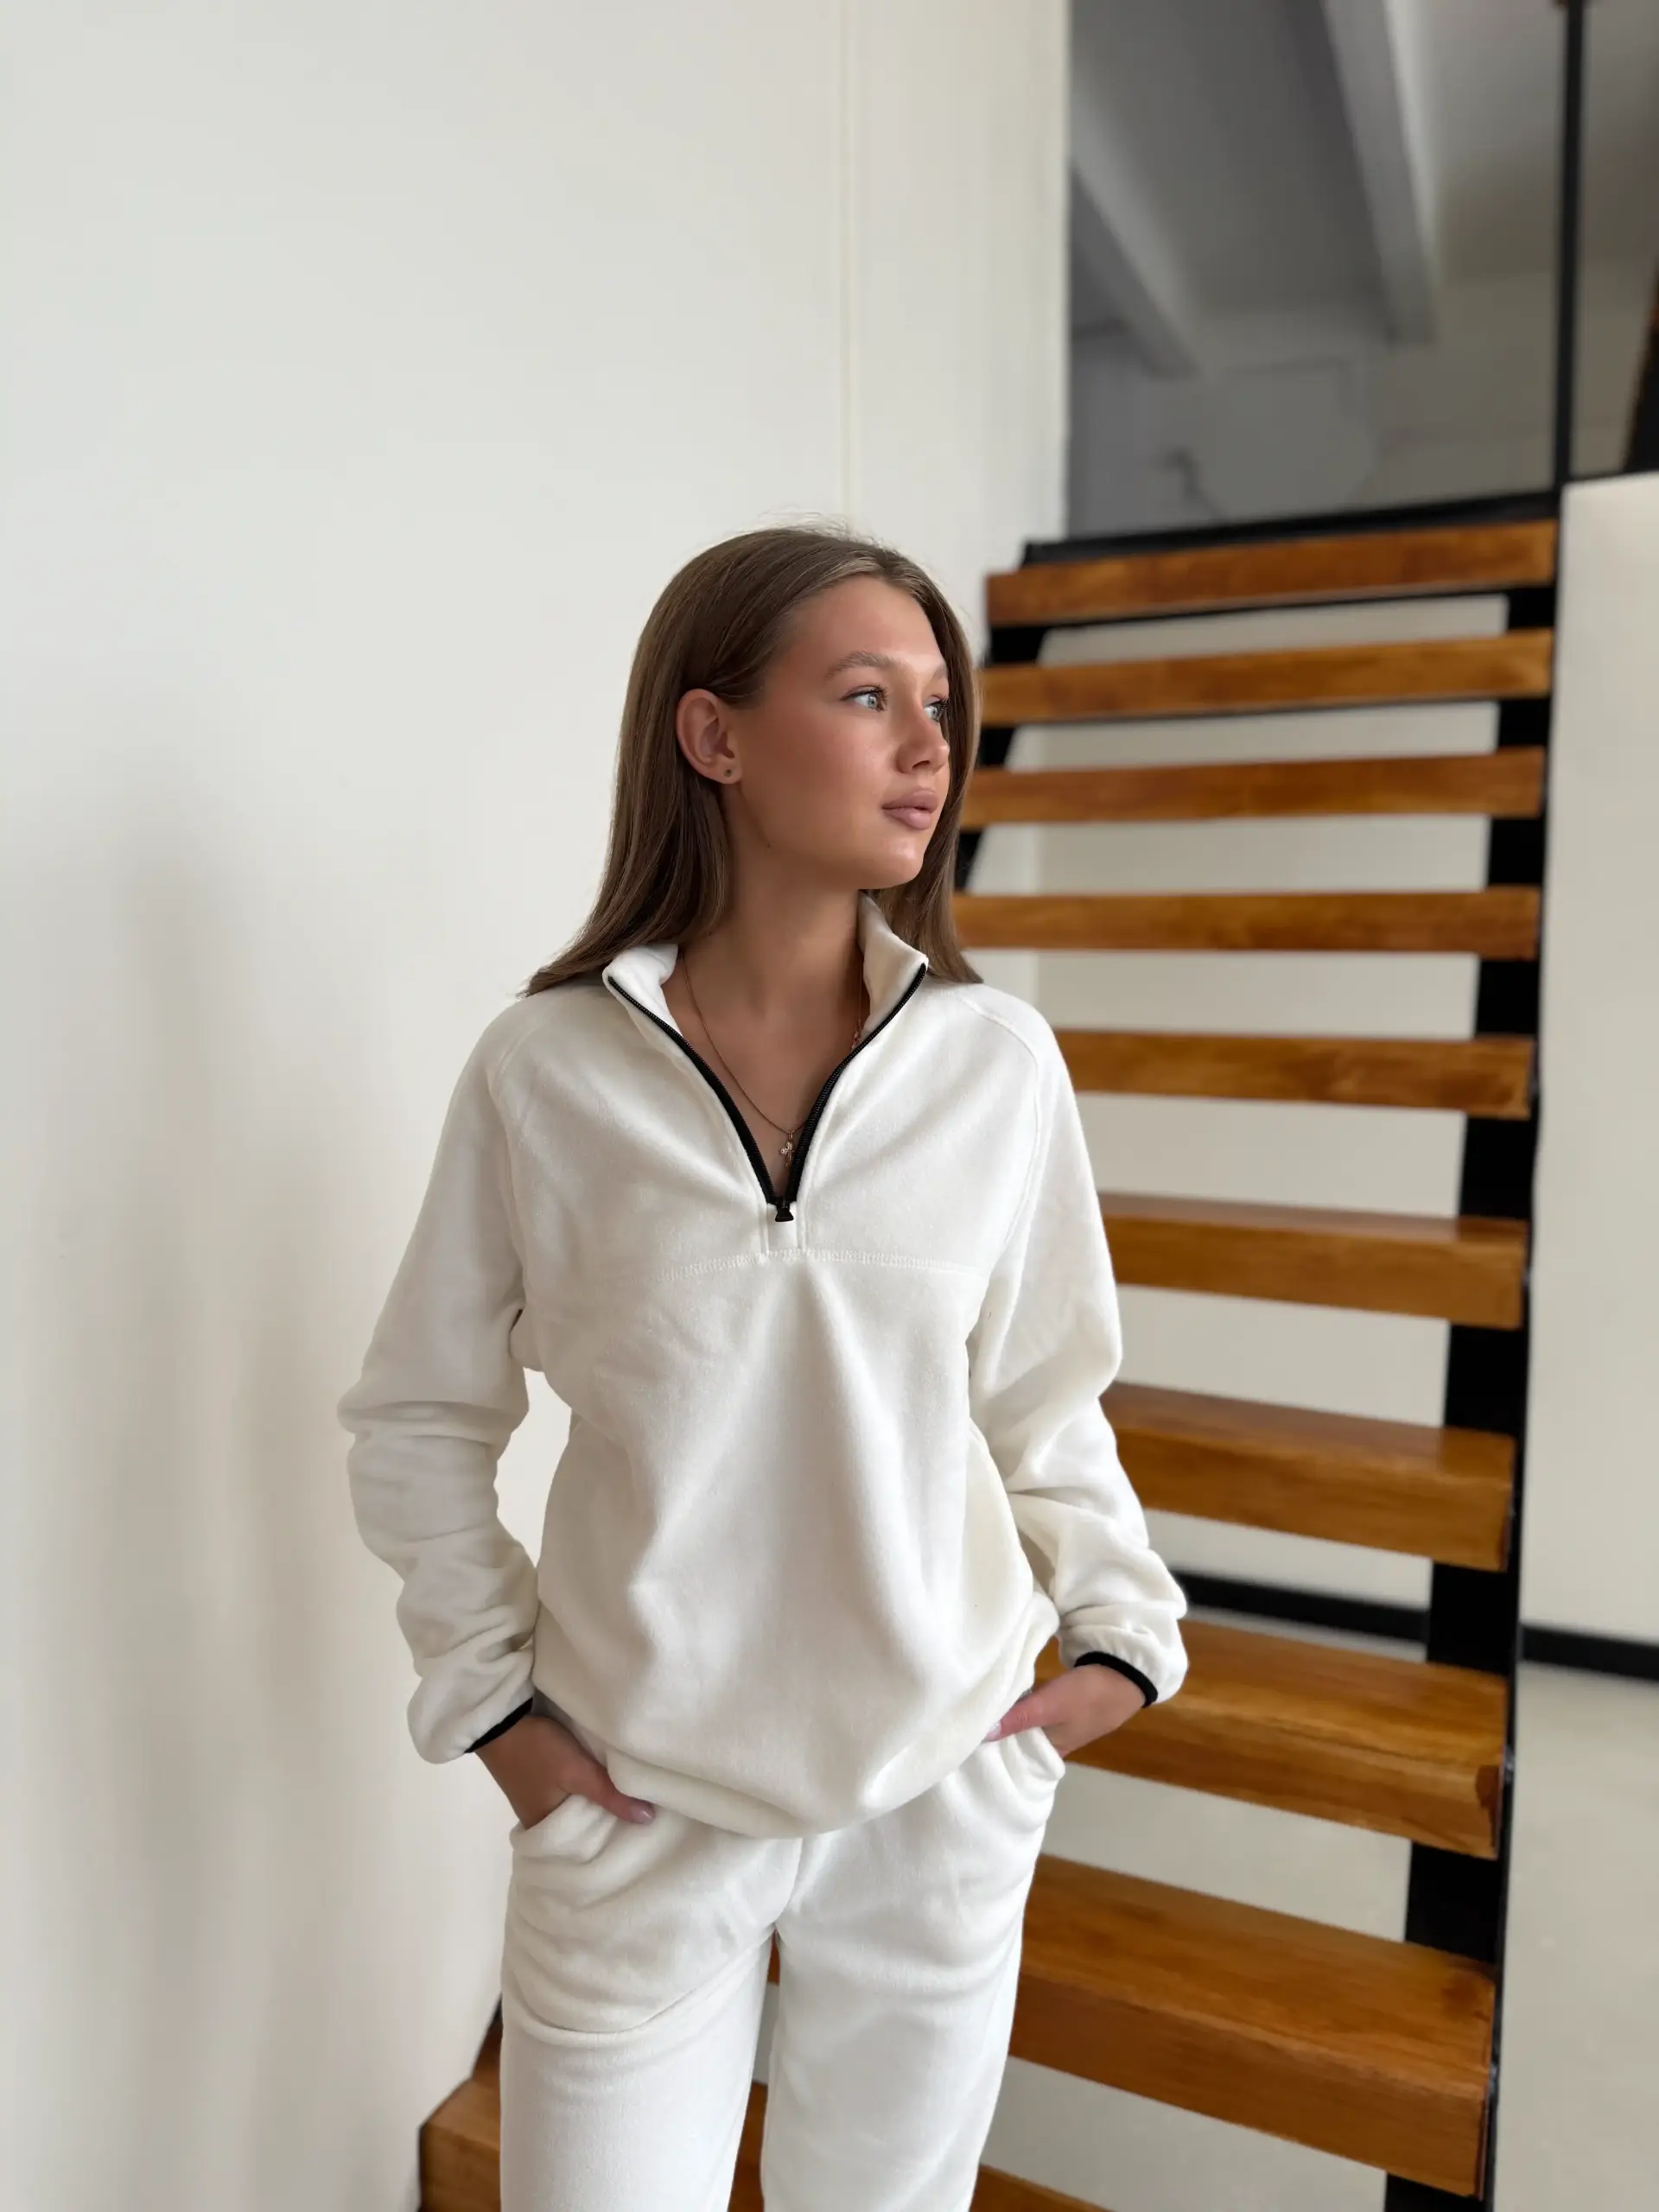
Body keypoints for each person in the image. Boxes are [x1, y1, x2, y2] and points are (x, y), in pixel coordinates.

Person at [337, 522, 1188, 2212]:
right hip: (633, 1804)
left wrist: (1119, 1628)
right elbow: (421, 1415)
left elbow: (1042, 1397)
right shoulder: (543, 1072)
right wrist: (494, 1709)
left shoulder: (996, 1066)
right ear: (713, 735)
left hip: (940, 1789)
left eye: (939, 701)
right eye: (868, 696)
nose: (929, 745)